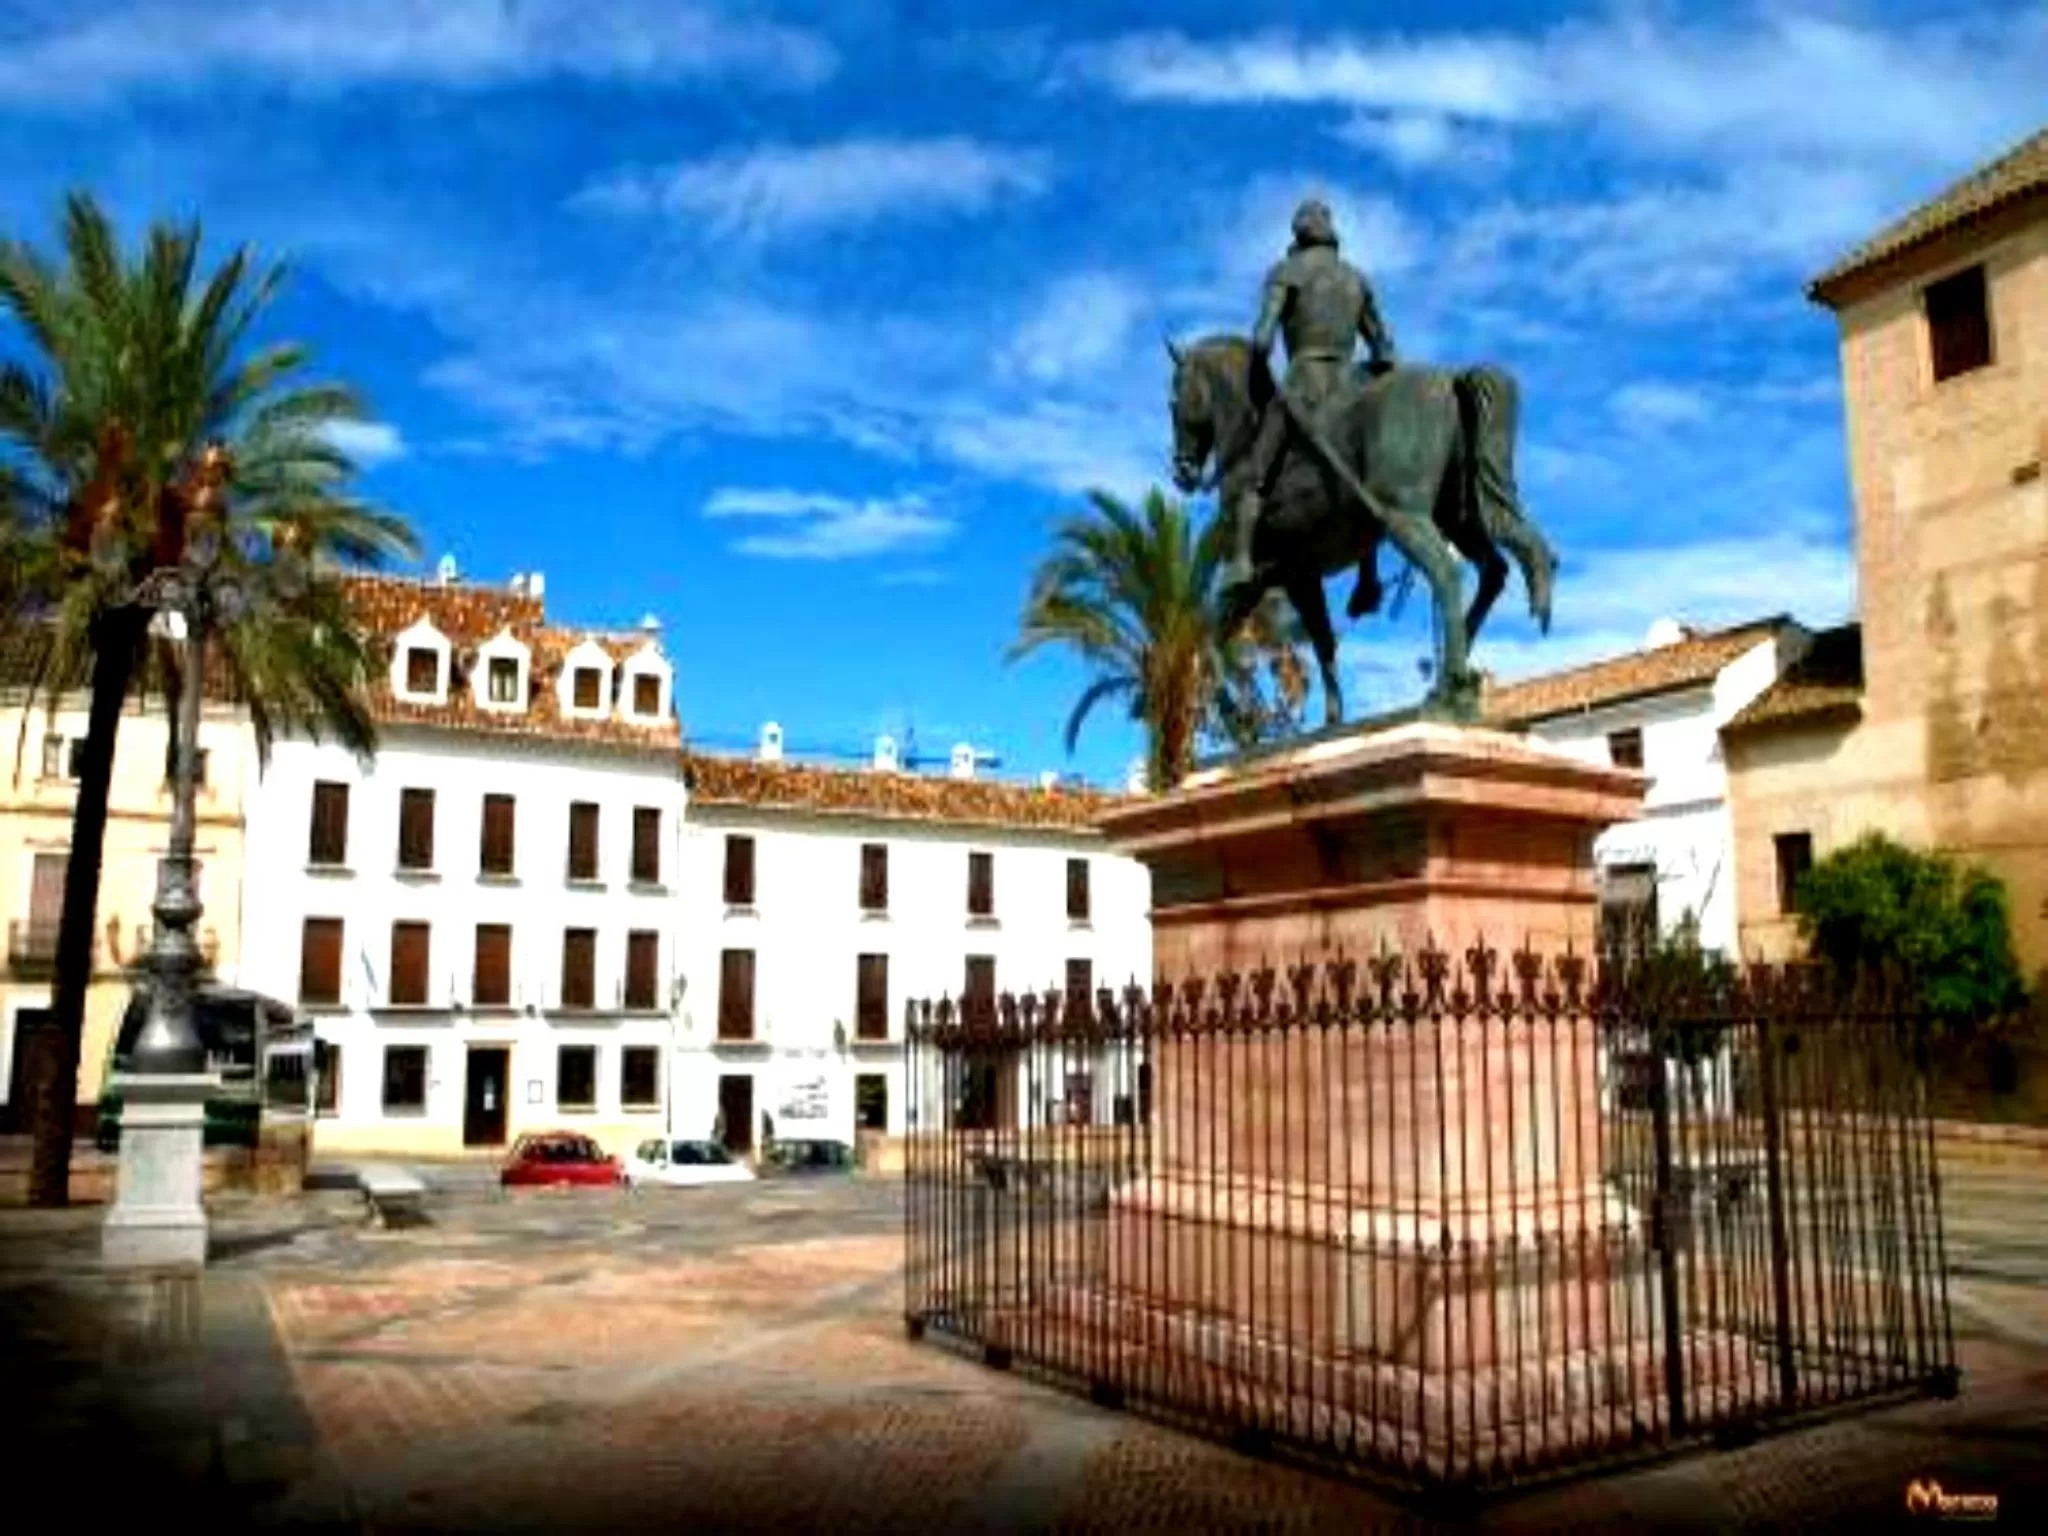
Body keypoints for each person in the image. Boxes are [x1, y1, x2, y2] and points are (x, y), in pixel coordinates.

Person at [1234, 197, 1398, 617]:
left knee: (1254, 475)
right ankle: (1367, 579)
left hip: (1304, 383)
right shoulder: (1357, 279)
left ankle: (1239, 561)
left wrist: (1259, 373)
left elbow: (1262, 339)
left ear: (1299, 234)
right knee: (1366, 469)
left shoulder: (1286, 272)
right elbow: (1385, 347)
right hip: (1351, 384)